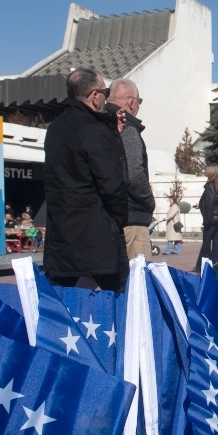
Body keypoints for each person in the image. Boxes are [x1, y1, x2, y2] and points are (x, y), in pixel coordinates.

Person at [43, 68, 128, 292]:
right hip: (95, 235)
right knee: (119, 297)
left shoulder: (55, 128)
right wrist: (118, 220)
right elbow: (113, 185)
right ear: (94, 96)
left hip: (61, 234)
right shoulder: (94, 130)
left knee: (62, 299)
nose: (106, 98)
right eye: (105, 92)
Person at [108, 79, 156, 260]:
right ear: (131, 102)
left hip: (108, 217)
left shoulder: (99, 124)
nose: (139, 106)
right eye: (139, 101)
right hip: (132, 218)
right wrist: (149, 201)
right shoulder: (127, 127)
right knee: (140, 273)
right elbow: (134, 173)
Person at [194, 165, 218, 275]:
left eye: (207, 171)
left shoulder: (210, 185)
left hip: (212, 220)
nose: (205, 172)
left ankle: (203, 267)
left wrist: (206, 218)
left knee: (206, 244)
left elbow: (209, 203)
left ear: (211, 172)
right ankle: (217, 268)